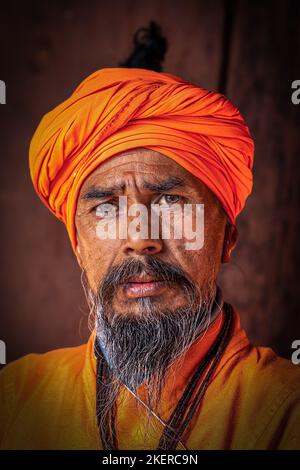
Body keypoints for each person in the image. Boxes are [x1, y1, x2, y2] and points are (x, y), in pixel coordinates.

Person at [1, 25, 299, 451]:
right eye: (106, 208)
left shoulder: (286, 415)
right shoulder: (14, 402)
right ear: (80, 247)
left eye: (171, 202)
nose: (141, 240)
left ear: (227, 236)